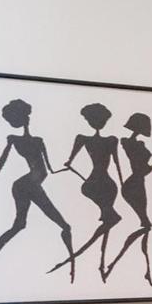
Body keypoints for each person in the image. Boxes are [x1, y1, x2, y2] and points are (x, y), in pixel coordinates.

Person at [0, 98, 77, 281]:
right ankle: (72, 268)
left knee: (19, 225)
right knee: (64, 226)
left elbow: (49, 170)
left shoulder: (34, 141)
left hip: (25, 184)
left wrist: (68, 168)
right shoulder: (20, 140)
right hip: (29, 184)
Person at [48, 103, 125, 280]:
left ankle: (97, 263)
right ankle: (94, 262)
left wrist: (123, 184)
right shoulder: (103, 140)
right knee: (111, 219)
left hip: (100, 184)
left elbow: (70, 161)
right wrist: (122, 184)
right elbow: (116, 164)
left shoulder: (92, 139)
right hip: (100, 185)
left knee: (109, 219)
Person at [102, 112, 152, 284]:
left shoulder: (130, 143)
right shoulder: (131, 143)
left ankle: (141, 269)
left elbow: (144, 170)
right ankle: (115, 264)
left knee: (146, 225)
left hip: (136, 184)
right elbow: (144, 170)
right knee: (146, 225)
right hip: (134, 186)